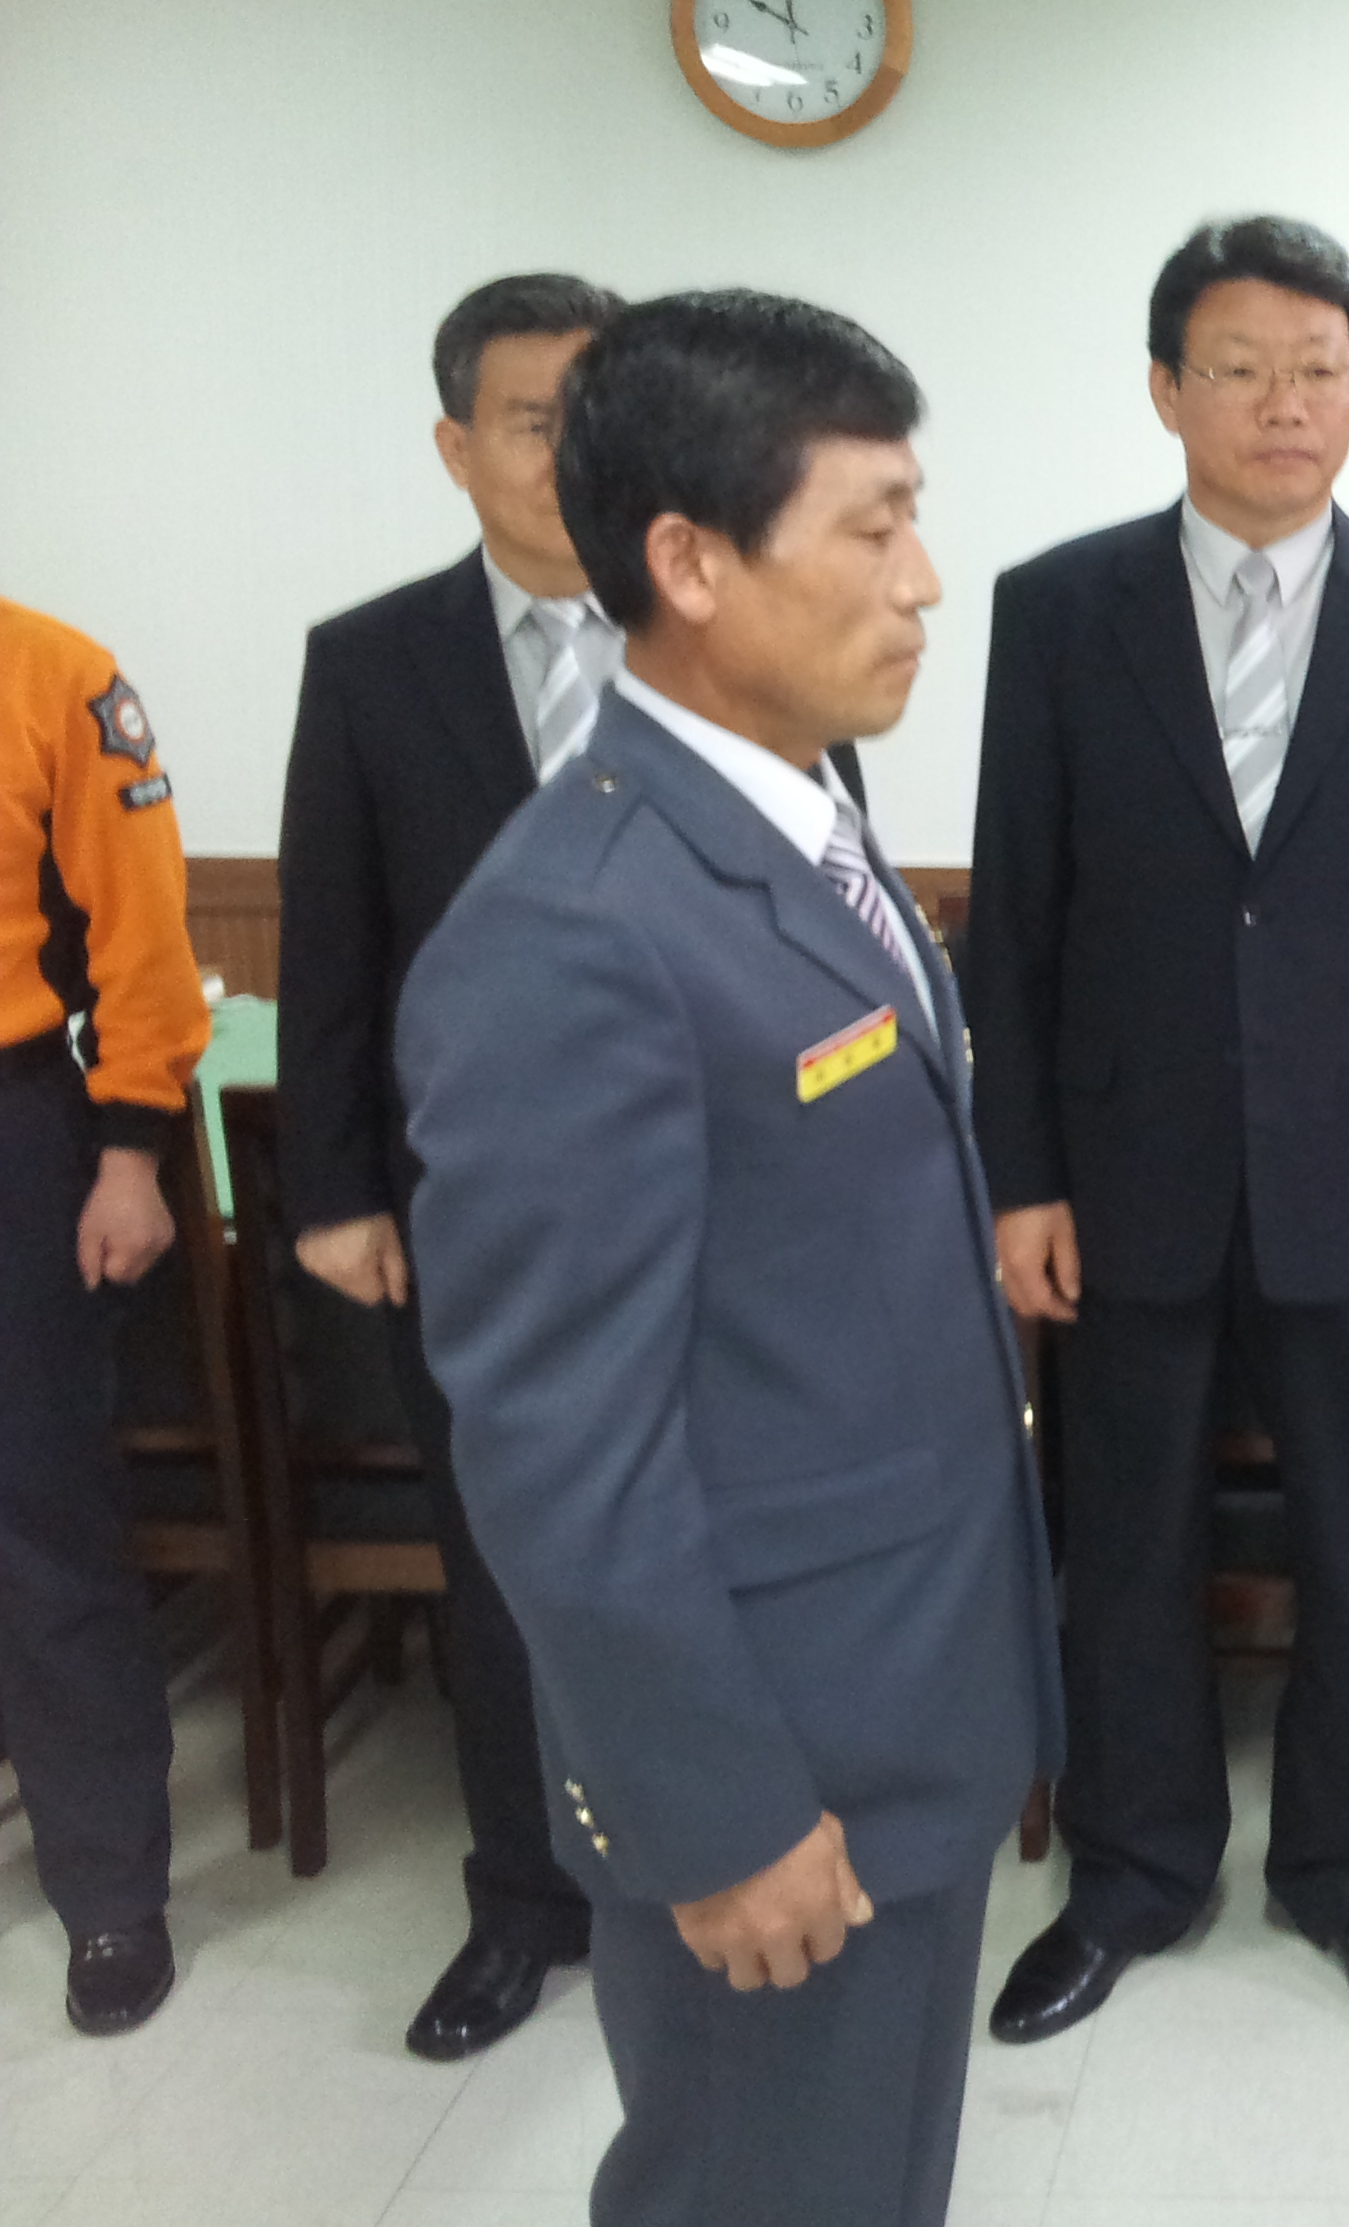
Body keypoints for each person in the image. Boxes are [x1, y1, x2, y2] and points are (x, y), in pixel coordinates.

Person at [395, 290, 1059, 2227]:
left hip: (897, 1698)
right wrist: (718, 1813)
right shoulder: (577, 932)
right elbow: (561, 1455)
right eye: (872, 527)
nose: (924, 580)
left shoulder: (801, 809)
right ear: (689, 563)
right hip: (781, 1770)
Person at [967, 217, 1349, 2044]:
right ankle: (1133, 1869)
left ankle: (1348, 1872)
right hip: (1126, 1170)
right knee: (1127, 1540)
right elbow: (1016, 922)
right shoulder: (1061, 611)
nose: (1287, 403)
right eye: (1242, 368)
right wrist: (1021, 1177)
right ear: (1165, 389)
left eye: (1319, 368)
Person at [277, 272, 624, 2060]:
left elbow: (825, 912)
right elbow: (329, 951)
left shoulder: (724, 621)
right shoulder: (371, 664)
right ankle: (525, 1900)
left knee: (696, 1549)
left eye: (599, 414)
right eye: (533, 419)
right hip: (468, 1209)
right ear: (455, 445)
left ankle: (696, 1870)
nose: (570, 453)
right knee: (498, 1563)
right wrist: (335, 1193)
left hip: (701, 1205)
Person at [0, 596, 207, 2037]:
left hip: (15, 1124)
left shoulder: (51, 676)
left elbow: (140, 931)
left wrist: (132, 1149)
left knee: (38, 1523)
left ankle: (110, 1894)